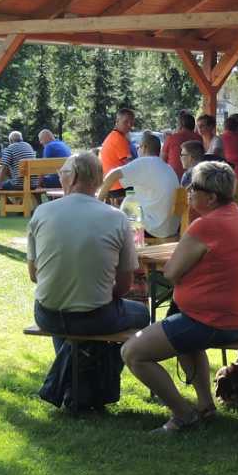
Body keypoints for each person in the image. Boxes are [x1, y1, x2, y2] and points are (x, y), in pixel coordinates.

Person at [121, 161, 238, 434]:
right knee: (186, 339)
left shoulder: (205, 226)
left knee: (132, 352)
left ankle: (183, 414)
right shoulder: (236, 217)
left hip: (212, 321)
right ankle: (206, 405)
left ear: (211, 197)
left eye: (193, 187)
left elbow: (172, 272)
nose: (187, 190)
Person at [29, 152, 150, 414]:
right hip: (96, 315)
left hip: (47, 313)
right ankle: (90, 390)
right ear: (96, 180)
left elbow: (34, 275)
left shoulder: (42, 212)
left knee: (76, 325)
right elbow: (124, 286)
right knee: (140, 313)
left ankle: (75, 390)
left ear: (72, 178)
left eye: (62, 173)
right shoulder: (116, 218)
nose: (60, 178)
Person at [103, 131, 183, 241]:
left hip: (156, 229)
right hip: (171, 228)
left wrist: (97, 202)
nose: (137, 150)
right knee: (132, 197)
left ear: (144, 147)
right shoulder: (167, 167)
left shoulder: (144, 162)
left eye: (139, 147)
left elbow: (112, 175)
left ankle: (131, 247)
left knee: (128, 204)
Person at [99, 108, 137, 187]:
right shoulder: (119, 139)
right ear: (117, 121)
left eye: (132, 123)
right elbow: (131, 165)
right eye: (126, 122)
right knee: (136, 196)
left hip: (111, 184)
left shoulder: (114, 135)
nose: (129, 125)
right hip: (119, 187)